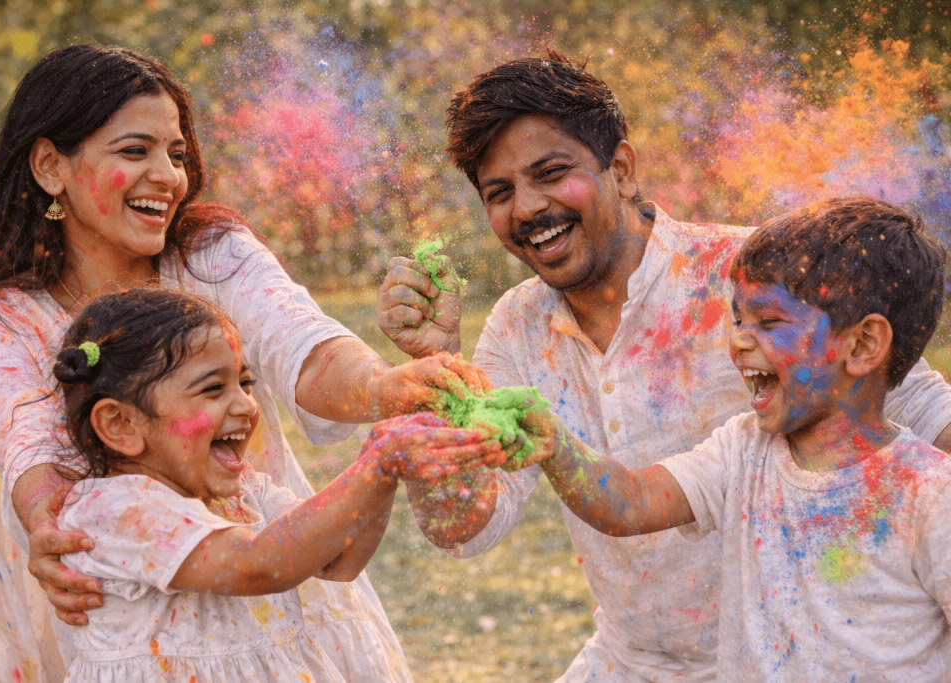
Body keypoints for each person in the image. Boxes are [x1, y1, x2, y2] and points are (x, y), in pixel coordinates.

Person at [376, 52, 951, 681]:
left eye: (551, 173)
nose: (528, 207)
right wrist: (437, 370)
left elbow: (922, 410)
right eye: (500, 193)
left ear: (621, 169)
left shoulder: (754, 283)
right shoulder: (516, 332)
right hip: (631, 663)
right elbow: (466, 526)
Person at [0, 44, 491, 683]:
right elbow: (29, 444)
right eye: (133, 151)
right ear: (49, 165)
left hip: (285, 629)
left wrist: (388, 390)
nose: (168, 176)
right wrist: (52, 526)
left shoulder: (209, 253)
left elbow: (304, 346)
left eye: (175, 153)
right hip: (137, 623)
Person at [518, 197, 951, 681]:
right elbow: (631, 502)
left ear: (863, 345)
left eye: (769, 323)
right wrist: (556, 445)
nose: (739, 340)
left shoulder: (929, 495)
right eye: (739, 318)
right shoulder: (743, 452)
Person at [49, 288, 501, 682]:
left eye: (245, 382)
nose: (246, 405)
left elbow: (339, 561)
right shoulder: (116, 513)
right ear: (121, 424)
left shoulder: (244, 494)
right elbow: (257, 565)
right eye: (213, 389)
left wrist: (383, 455)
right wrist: (378, 465)